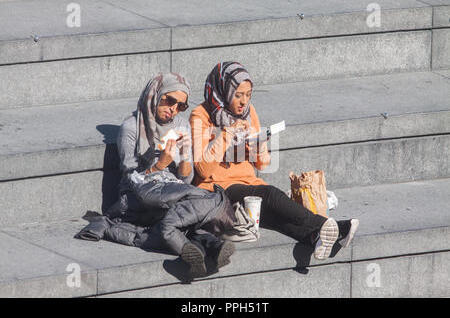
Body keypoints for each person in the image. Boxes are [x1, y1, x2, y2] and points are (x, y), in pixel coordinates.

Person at [189, 62, 359, 260]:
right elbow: (202, 169)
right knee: (269, 195)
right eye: (238, 95)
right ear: (223, 91)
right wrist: (227, 134)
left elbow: (262, 164)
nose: (244, 101)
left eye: (248, 94)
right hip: (217, 189)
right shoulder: (200, 115)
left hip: (248, 183)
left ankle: (317, 236)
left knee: (273, 218)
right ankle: (326, 225)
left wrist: (259, 144)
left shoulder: (248, 112)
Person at [113, 72, 237, 277]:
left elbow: (185, 180)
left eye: (181, 106)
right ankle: (209, 245)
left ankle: (198, 249)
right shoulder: (131, 128)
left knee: (197, 201)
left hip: (172, 191)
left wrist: (185, 159)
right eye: (170, 101)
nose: (173, 109)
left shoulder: (180, 125)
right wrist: (160, 165)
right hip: (139, 196)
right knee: (181, 214)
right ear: (156, 94)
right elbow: (129, 178)